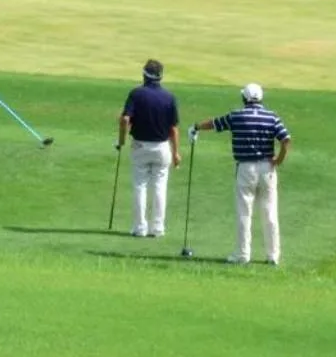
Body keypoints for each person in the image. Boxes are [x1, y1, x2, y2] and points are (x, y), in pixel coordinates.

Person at [193, 83, 290, 265]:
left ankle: (242, 254)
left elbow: (214, 123)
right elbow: (285, 139)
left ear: (244, 98)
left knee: (244, 212)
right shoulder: (271, 117)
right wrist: (278, 160)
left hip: (245, 168)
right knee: (269, 213)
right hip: (266, 169)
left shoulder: (237, 116)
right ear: (260, 98)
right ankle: (273, 255)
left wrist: (196, 127)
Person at [118, 59, 181, 237]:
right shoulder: (169, 97)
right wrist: (176, 152)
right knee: (160, 187)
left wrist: (121, 140)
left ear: (145, 75)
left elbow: (125, 120)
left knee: (140, 186)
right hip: (162, 148)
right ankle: (158, 228)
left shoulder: (136, 94)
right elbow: (173, 129)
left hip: (140, 146)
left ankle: (140, 228)